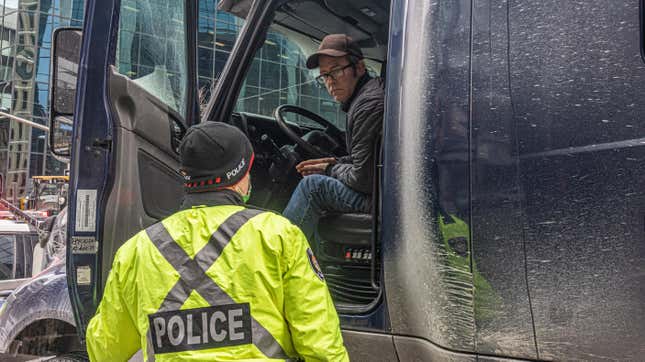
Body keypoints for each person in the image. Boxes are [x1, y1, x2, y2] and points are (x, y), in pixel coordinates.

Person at [86, 122, 349, 361]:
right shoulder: (278, 235)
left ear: (185, 176)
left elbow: (106, 349)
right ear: (244, 173)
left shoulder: (136, 250)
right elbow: (320, 345)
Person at [283, 34, 384, 241]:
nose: (330, 82)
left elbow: (363, 179)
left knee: (312, 187)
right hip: (384, 190)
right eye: (324, 75)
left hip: (382, 199)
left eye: (336, 70)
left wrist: (330, 169)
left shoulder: (369, 105)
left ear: (360, 67)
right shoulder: (367, 95)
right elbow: (365, 160)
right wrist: (335, 163)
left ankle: (276, 262)